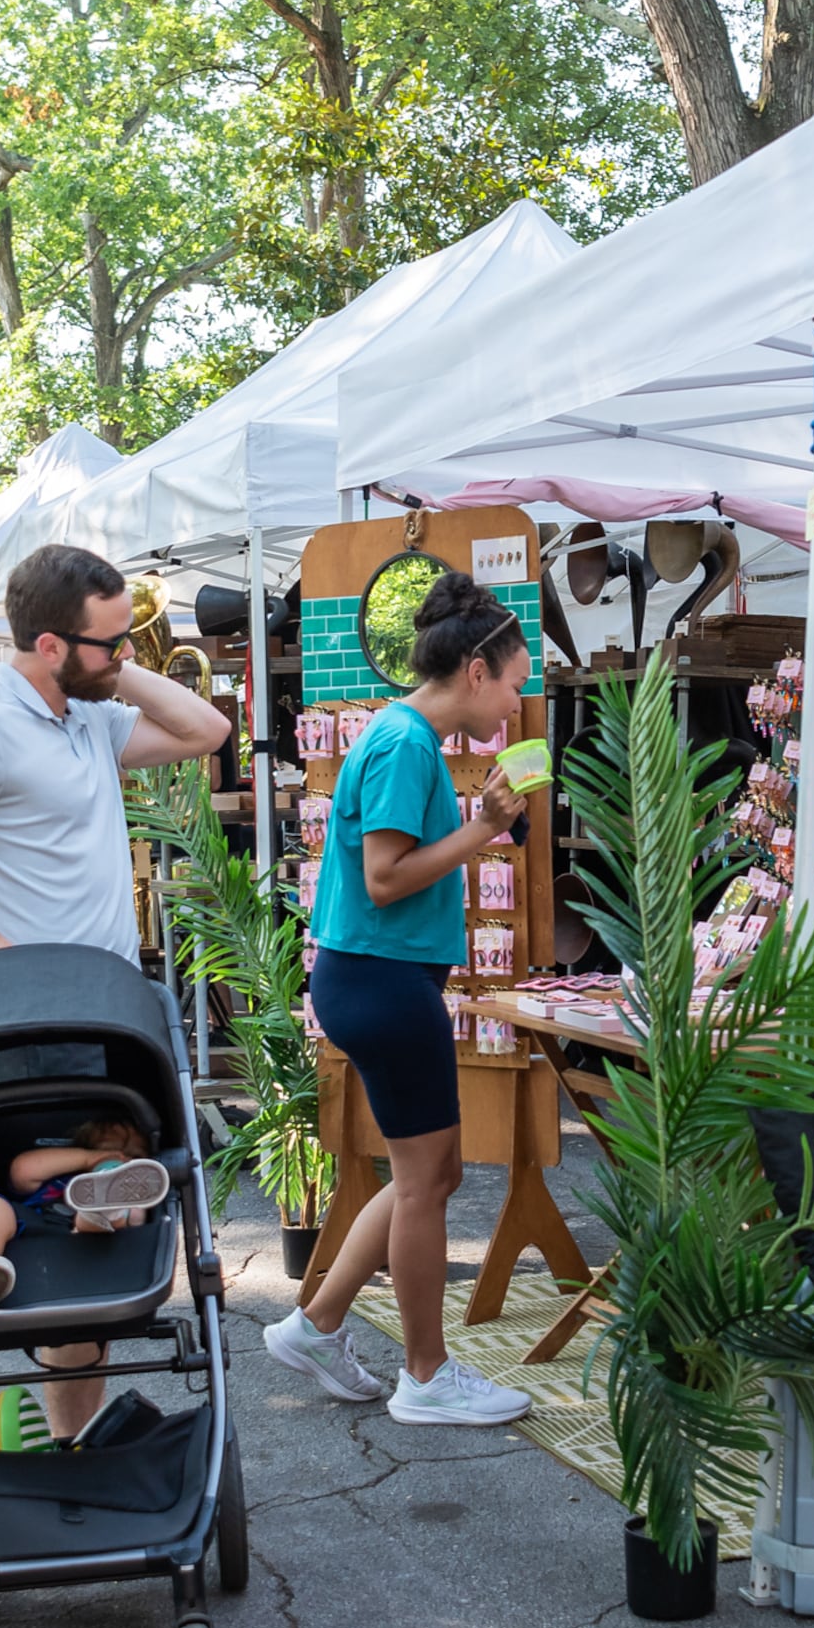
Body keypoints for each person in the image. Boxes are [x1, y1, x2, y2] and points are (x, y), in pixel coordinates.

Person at [0, 543, 231, 1434]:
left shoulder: (87, 716)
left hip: (108, 1015)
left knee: (103, 1236)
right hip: (22, 1020)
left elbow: (206, 734)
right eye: (108, 642)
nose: (124, 654)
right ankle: (48, 1426)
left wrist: (120, 667)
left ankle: (71, 1443)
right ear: (45, 643)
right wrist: (8, 963)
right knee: (47, 1231)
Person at [266, 570, 535, 1427]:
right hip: (378, 980)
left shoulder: (409, 739)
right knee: (427, 1184)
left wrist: (480, 818)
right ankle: (426, 1375)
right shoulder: (407, 742)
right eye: (517, 683)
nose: (517, 706)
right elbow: (384, 880)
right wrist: (483, 830)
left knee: (432, 1172)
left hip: (384, 980)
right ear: (478, 672)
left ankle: (317, 1323)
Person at [0, 1113, 171, 1311]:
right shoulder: (60, 1177)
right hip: (27, 1227)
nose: (123, 1159)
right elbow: (22, 1170)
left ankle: (105, 1207)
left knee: (111, 1216)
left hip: (92, 1236)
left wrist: (132, 1195)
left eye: (136, 1157)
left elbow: (139, 1221)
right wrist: (90, 1159)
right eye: (109, 1150)